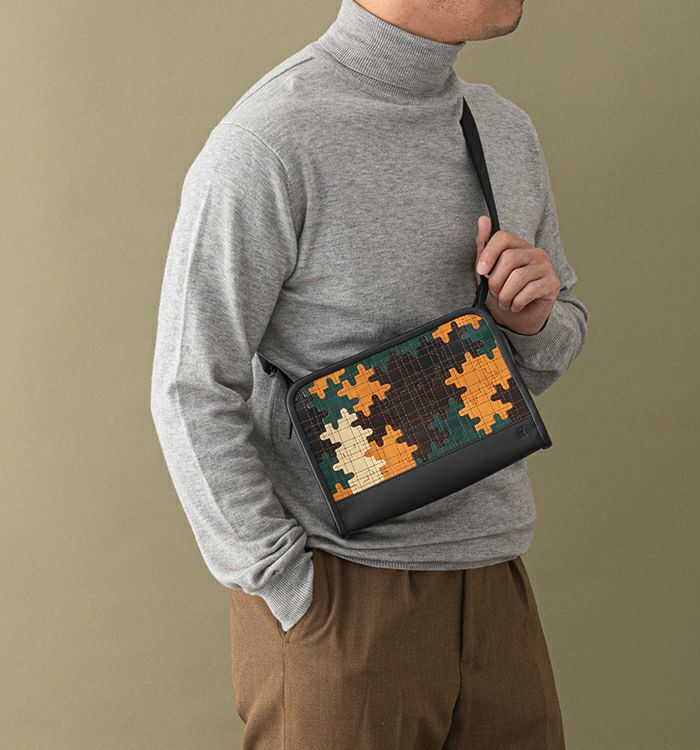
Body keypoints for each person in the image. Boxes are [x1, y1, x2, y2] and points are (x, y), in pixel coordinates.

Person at [150, 0, 589, 747]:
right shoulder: (270, 139)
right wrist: (286, 586)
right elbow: (189, 384)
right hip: (340, 597)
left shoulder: (501, 129)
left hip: (497, 586)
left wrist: (532, 321)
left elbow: (543, 356)